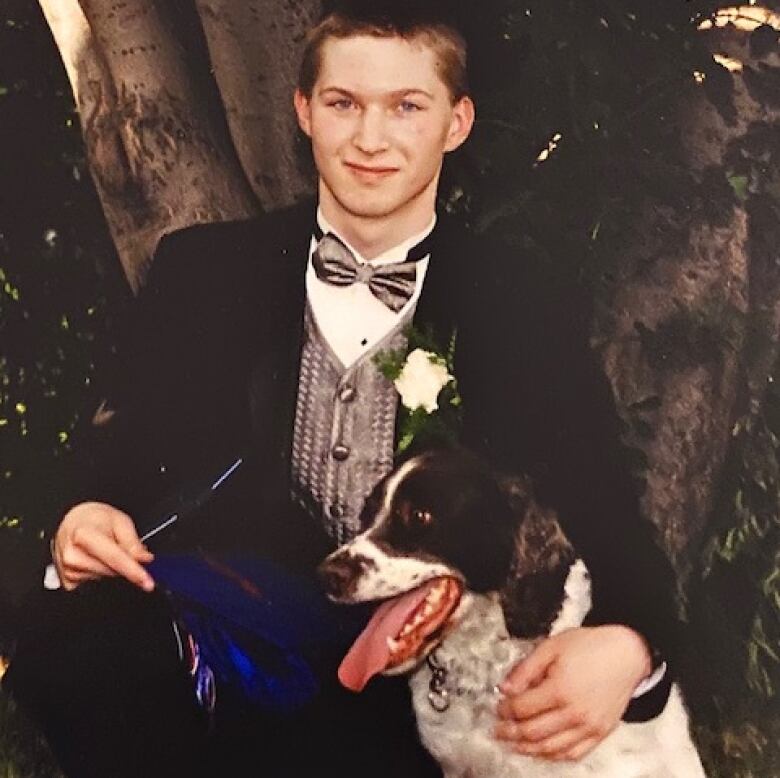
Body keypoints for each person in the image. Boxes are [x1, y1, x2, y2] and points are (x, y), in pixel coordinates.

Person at [4, 3, 680, 777]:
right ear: (303, 111)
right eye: (343, 103)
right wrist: (87, 511)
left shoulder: (517, 299)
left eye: (407, 107)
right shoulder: (206, 268)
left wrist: (629, 644)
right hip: (243, 645)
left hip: (413, 672)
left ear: (457, 123)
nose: (369, 139)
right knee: (79, 647)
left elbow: (602, 496)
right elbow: (125, 441)